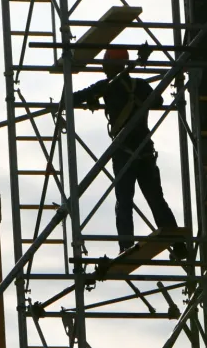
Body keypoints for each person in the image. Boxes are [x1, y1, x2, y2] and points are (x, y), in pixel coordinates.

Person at [71, 46, 187, 259]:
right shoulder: (140, 85)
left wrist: (95, 98)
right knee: (156, 199)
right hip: (145, 150)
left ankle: (126, 246)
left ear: (110, 65)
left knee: (124, 201)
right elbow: (158, 101)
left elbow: (73, 98)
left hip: (124, 153)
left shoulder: (107, 86)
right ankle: (179, 245)